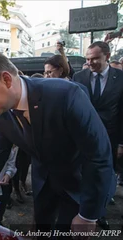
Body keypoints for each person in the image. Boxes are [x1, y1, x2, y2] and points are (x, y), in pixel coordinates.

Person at [0, 50, 113, 238]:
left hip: (80, 186)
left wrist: (88, 216)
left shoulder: (65, 95)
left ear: (6, 80)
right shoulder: (1, 113)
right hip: (43, 185)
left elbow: (98, 155)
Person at [73, 41, 123, 229]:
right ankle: (81, 210)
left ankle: (98, 214)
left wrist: (121, 143)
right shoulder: (79, 77)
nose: (90, 62)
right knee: (83, 176)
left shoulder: (121, 78)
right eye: (88, 59)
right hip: (82, 139)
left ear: (107, 57)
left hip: (109, 139)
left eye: (95, 58)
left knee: (103, 178)